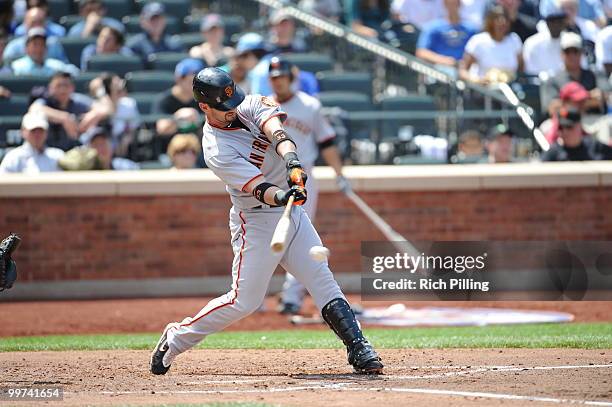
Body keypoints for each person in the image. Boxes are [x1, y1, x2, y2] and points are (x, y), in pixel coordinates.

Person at [150, 67, 384, 376]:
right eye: (223, 108)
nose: (232, 111)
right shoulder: (217, 149)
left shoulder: (249, 102)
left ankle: (359, 348)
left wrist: (293, 163)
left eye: (234, 103)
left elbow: (277, 132)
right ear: (204, 106)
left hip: (290, 215)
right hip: (256, 220)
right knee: (243, 301)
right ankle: (176, 338)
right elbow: (260, 189)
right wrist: (285, 196)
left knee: (320, 277)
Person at [267, 56, 350, 315]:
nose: (278, 81)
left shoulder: (309, 105)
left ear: (291, 77)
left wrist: (339, 174)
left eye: (282, 76)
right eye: (274, 77)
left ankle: (291, 296)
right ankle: (255, 294)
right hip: (270, 178)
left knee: (299, 236)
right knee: (266, 236)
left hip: (303, 180)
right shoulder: (263, 105)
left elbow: (326, 141)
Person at [540, 31, 608, 116]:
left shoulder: (595, 74)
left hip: (594, 121)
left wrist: (568, 101)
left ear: (581, 53)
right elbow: (552, 108)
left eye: (575, 51)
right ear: (562, 54)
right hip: (564, 124)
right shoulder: (552, 80)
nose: (572, 56)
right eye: (568, 52)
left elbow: (605, 96)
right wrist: (588, 97)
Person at [29, 71, 100, 151]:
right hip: (49, 153)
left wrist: (93, 115)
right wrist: (64, 118)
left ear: (72, 88)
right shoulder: (46, 101)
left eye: (66, 86)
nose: (62, 90)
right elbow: (34, 109)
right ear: (50, 88)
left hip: (75, 151)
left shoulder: (77, 100)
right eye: (58, 86)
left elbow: (103, 108)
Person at [460, 6, 523, 84]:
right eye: (498, 22)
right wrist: (477, 80)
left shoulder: (514, 40)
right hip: (484, 91)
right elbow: (463, 71)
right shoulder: (478, 41)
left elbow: (521, 68)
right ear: (491, 23)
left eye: (505, 22)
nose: (502, 26)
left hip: (510, 90)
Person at [416, 0, 478, 72]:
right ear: (444, 4)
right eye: (449, 2)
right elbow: (421, 52)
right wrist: (444, 61)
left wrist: (465, 64)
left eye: (455, 2)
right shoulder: (433, 27)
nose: (452, 6)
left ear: (460, 4)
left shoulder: (470, 29)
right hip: (439, 71)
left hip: (464, 70)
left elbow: (478, 53)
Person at [88, 73, 141, 156]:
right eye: (116, 88)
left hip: (125, 149)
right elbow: (109, 110)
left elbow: (134, 128)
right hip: (101, 148)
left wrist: (126, 140)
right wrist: (104, 93)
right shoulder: (97, 105)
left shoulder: (128, 104)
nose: (121, 89)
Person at [541, 107, 612, 161]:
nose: (564, 132)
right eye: (561, 128)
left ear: (580, 126)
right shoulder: (553, 153)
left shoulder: (595, 147)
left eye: (569, 127)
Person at [10, 28, 78, 77]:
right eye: (35, 44)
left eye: (42, 44)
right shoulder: (16, 67)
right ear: (26, 48)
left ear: (46, 48)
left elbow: (74, 72)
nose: (38, 48)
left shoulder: (56, 66)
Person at [522, 8, 567, 76]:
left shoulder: (571, 41)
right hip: (540, 83)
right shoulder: (532, 43)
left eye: (560, 21)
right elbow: (529, 71)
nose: (556, 25)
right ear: (547, 23)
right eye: (552, 21)